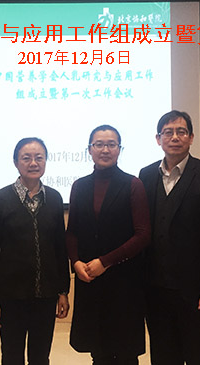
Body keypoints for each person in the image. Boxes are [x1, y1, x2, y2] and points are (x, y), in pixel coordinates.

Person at [139, 110, 200, 365]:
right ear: (158, 139)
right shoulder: (146, 175)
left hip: (196, 292)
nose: (174, 137)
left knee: (199, 356)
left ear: (191, 138)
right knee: (162, 355)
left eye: (181, 132)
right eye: (168, 132)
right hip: (155, 290)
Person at [66, 124, 151, 365]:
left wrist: (105, 262)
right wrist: (76, 263)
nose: (105, 150)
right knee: (98, 350)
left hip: (124, 280)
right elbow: (72, 232)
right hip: (90, 278)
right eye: (99, 144)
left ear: (119, 149)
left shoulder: (133, 184)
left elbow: (143, 235)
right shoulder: (79, 186)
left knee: (125, 351)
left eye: (111, 144)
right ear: (89, 150)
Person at [0, 137, 70, 365]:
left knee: (40, 357)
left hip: (46, 296)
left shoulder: (54, 198)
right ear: (15, 162)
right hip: (10, 297)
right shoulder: (0, 199)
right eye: (26, 158)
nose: (33, 163)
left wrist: (63, 291)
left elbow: (60, 249)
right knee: (11, 356)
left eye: (39, 158)